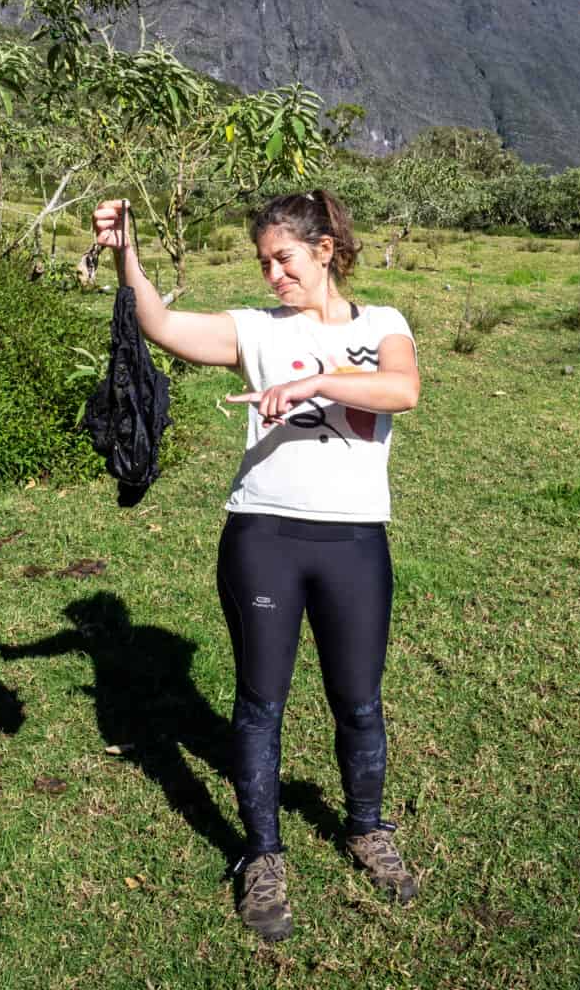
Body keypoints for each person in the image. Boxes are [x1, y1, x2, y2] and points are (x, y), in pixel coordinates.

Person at [90, 189, 421, 941]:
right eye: (264, 262)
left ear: (326, 252)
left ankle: (367, 829)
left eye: (286, 259)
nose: (274, 274)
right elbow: (161, 324)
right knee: (259, 705)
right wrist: (126, 253)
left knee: (359, 701)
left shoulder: (384, 324)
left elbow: (402, 389)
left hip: (354, 540)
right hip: (264, 535)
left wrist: (312, 382)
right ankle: (262, 857)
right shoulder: (254, 330)